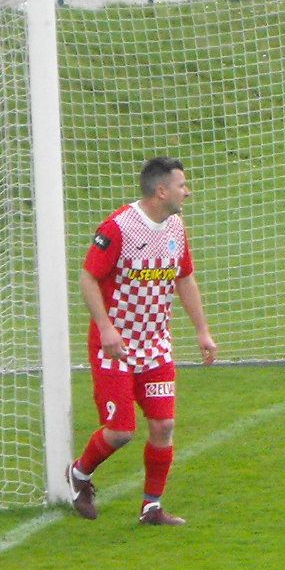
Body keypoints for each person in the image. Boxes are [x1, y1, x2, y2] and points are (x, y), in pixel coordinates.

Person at [65, 155, 217, 527]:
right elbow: (88, 278)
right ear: (161, 190)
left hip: (155, 345)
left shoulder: (176, 226)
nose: (187, 191)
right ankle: (79, 474)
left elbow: (184, 278)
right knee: (121, 432)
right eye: (182, 185)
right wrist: (106, 328)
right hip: (115, 347)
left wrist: (202, 331)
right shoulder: (119, 227)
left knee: (164, 426)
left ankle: (151, 507)